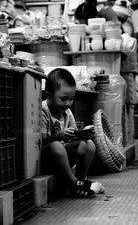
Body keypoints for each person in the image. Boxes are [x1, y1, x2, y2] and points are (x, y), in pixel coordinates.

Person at [41, 68, 104, 197]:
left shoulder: (67, 113)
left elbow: (74, 137)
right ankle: (74, 184)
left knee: (89, 144)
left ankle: (80, 181)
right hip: (47, 161)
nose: (68, 103)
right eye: (64, 99)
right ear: (48, 95)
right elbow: (39, 143)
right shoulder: (43, 111)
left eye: (71, 99)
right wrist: (58, 136)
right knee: (56, 146)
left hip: (64, 160)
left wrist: (82, 135)